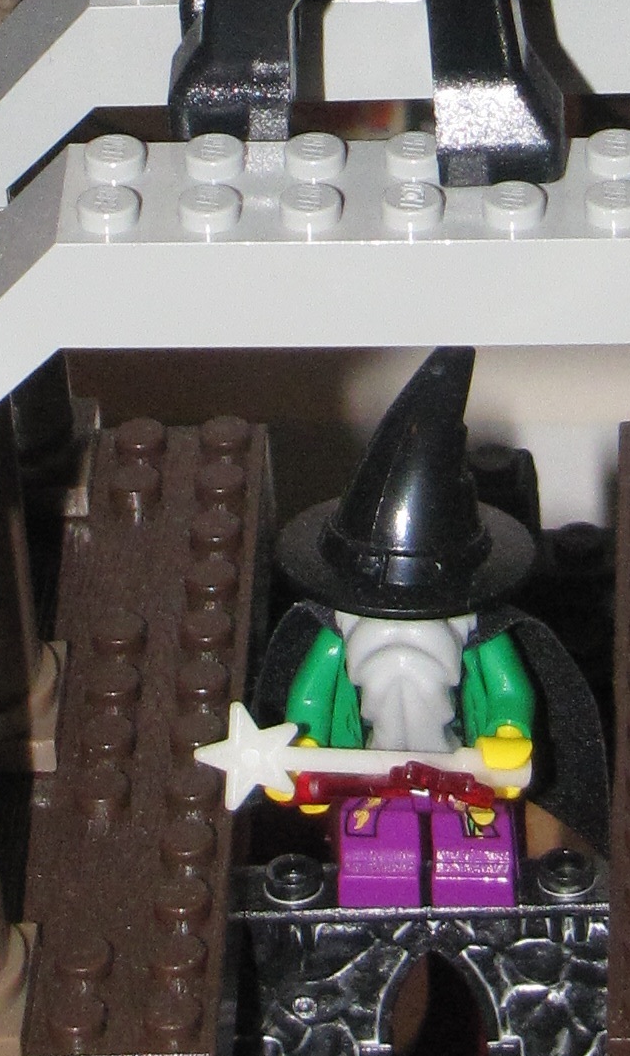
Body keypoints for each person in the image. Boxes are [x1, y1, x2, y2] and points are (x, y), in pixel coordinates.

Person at [258, 346, 605, 906]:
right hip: (368, 774)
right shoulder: (338, 633)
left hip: (462, 773)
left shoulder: (478, 634)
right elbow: (310, 699)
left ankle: (484, 914)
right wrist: (306, 751)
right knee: (375, 861)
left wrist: (508, 735)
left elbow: (509, 691)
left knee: (476, 860)